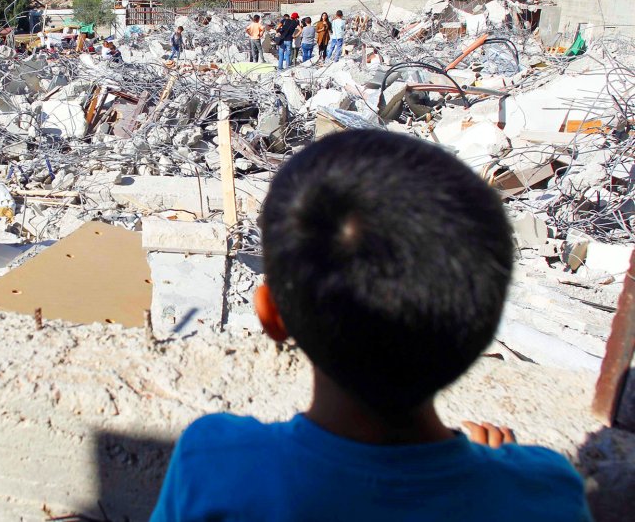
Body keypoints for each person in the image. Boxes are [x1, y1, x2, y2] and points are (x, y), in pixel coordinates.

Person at [152, 130, 592, 522]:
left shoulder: (214, 462)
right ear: (484, 325)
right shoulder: (547, 492)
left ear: (271, 315)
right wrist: (498, 473)